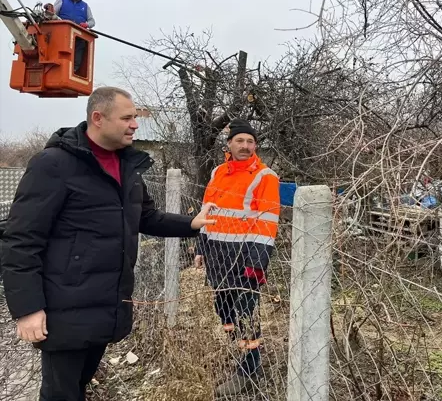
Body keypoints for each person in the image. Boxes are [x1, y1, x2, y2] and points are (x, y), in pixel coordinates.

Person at [0, 86, 215, 401]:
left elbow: (147, 217)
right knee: (60, 394)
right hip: (63, 308)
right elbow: (21, 240)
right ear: (97, 118)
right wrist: (28, 308)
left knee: (78, 387)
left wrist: (191, 223)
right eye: (127, 118)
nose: (135, 124)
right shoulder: (54, 165)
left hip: (107, 305)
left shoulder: (127, 167)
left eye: (135, 118)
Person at [195, 118, 280, 397]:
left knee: (246, 315)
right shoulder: (218, 171)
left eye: (250, 141)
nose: (245, 146)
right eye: (240, 140)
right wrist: (200, 248)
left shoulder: (265, 177)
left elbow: (267, 224)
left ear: (256, 145)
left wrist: (256, 264)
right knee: (224, 310)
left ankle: (248, 370)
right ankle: (236, 349)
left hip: (245, 260)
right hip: (217, 255)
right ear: (229, 144)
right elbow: (208, 213)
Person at [53, 0, 96, 74]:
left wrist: (86, 24)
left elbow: (92, 21)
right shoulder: (62, 0)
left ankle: (74, 69)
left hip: (78, 36)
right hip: (62, 34)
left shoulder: (85, 6)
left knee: (79, 49)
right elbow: (52, 14)